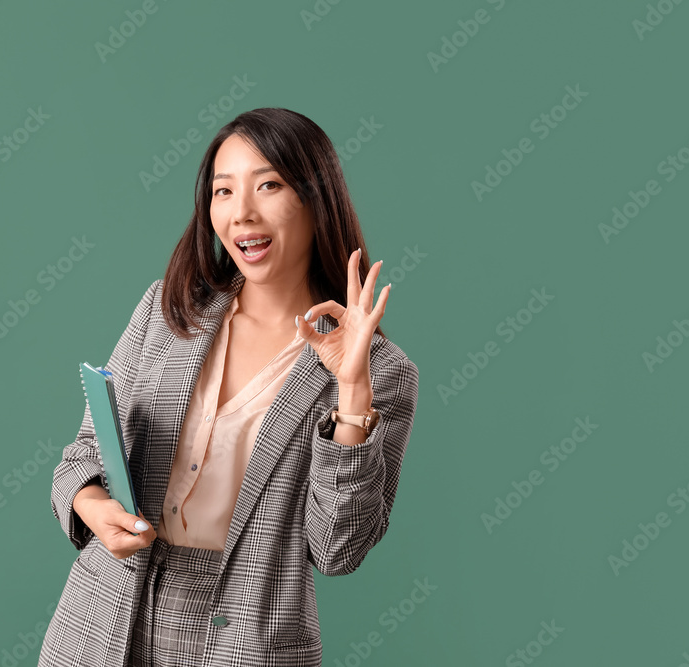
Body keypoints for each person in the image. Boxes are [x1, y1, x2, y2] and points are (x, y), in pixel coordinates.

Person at [38, 107, 419, 667]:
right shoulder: (168, 311)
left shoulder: (380, 371)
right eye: (222, 191)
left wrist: (352, 388)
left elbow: (339, 548)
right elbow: (84, 455)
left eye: (268, 185)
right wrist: (93, 506)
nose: (241, 213)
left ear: (316, 199)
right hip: (103, 621)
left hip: (245, 639)